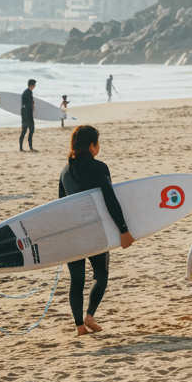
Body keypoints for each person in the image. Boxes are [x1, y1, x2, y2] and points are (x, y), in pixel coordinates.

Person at [60, 125, 133, 336]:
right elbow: (111, 200)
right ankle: (90, 315)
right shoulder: (100, 168)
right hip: (94, 231)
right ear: (92, 145)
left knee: (77, 280)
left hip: (72, 233)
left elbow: (59, 206)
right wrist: (123, 230)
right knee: (100, 275)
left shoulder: (65, 171)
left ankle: (79, 327)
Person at [20, 79, 37, 152]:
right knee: (31, 130)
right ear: (33, 85)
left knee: (24, 131)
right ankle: (30, 147)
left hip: (24, 114)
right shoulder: (29, 93)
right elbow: (29, 105)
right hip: (28, 115)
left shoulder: (25, 92)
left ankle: (21, 148)